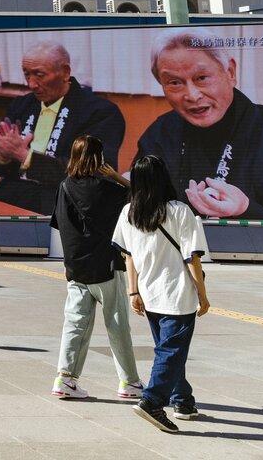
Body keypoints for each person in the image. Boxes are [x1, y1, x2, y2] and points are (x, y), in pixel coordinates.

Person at [135, 29, 263, 220]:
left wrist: (247, 209)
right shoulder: (160, 133)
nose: (192, 95)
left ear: (230, 72)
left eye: (202, 78)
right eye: (175, 82)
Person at [111, 154, 211, 433]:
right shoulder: (180, 210)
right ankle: (153, 402)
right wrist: (203, 295)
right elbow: (192, 258)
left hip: (150, 294)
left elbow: (127, 256)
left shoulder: (129, 211)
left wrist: (133, 292)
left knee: (169, 351)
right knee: (171, 351)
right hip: (178, 295)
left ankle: (183, 401)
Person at [0, 42, 127, 214]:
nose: (31, 84)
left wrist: (24, 156)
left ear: (65, 72)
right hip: (15, 194)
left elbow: (91, 174)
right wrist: (2, 158)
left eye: (39, 75)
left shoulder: (100, 113)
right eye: (27, 75)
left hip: (64, 202)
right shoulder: (21, 105)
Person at [51, 135, 142, 401]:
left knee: (75, 325)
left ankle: (65, 379)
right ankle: (130, 383)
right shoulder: (110, 190)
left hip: (76, 268)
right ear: (100, 159)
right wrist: (117, 176)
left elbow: (60, 225)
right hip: (107, 266)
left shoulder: (64, 187)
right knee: (117, 325)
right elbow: (141, 197)